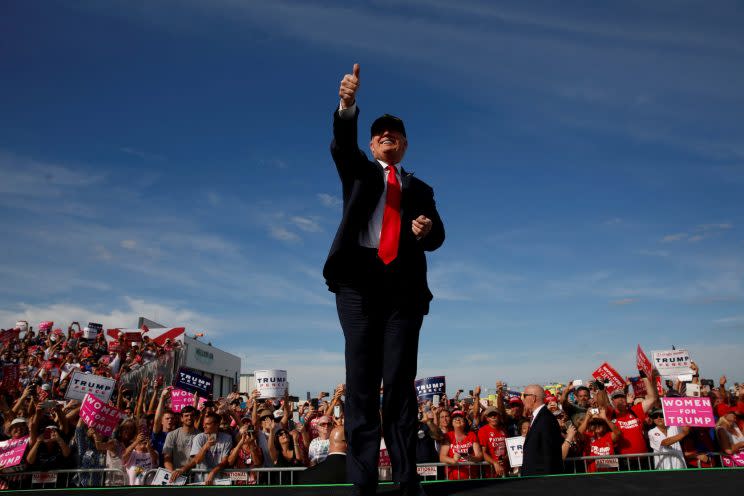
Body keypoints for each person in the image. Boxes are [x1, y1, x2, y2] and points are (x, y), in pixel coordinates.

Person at [324, 63, 445, 496]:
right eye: (380, 133)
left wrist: (425, 230)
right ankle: (363, 481)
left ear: (407, 144)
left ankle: (407, 479)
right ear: (373, 143)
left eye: (395, 133)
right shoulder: (358, 170)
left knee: (398, 385)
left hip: (403, 291)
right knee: (360, 383)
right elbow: (343, 143)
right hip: (358, 284)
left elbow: (439, 236)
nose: (387, 136)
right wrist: (347, 105)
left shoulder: (421, 189)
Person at [520, 385, 563, 476]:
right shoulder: (539, 417)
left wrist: (546, 481)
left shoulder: (545, 419)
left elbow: (549, 453)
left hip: (541, 479)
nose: (522, 399)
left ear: (533, 398)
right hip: (534, 477)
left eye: (524, 396)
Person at [438, 410, 483, 480]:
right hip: (453, 479)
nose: (458, 419)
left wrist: (472, 458)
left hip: (472, 478)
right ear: (452, 423)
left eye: (460, 418)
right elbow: (442, 457)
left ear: (464, 422)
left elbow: (479, 455)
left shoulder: (472, 435)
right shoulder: (448, 436)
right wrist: (453, 460)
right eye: (455, 418)